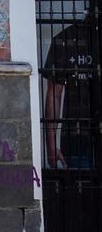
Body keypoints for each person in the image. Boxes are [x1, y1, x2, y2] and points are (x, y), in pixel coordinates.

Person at [43, 20, 94, 170]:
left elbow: (54, 93)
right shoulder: (67, 38)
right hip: (77, 137)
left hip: (77, 135)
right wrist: (51, 145)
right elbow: (54, 93)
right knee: (81, 188)